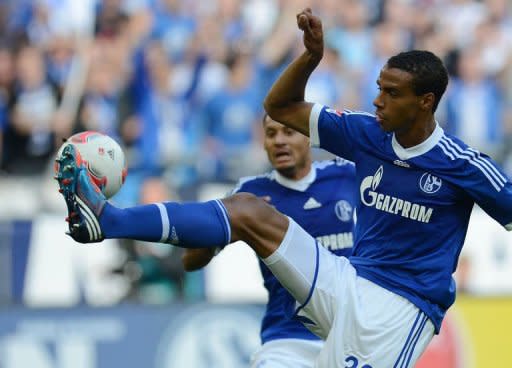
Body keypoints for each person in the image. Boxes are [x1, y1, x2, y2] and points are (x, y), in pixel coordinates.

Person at [54, 8, 512, 367]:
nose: (378, 100)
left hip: (398, 313)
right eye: (379, 87)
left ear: (425, 101)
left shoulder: (463, 165)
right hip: (348, 280)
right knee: (249, 209)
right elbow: (280, 105)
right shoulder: (367, 133)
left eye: (391, 93)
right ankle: (107, 221)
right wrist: (310, 58)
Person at [182, 113, 356, 368]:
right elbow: (190, 261)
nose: (279, 141)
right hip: (287, 343)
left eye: (288, 131)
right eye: (271, 134)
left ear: (309, 137)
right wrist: (231, 227)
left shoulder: (347, 176)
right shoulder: (250, 195)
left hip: (351, 341)